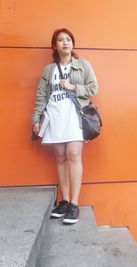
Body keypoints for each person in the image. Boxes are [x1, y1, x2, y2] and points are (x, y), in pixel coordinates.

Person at [32, 28, 98, 224]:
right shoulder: (48, 70)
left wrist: (73, 87)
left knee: (73, 155)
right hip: (55, 116)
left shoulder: (82, 65)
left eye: (68, 39)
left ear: (73, 44)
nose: (65, 42)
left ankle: (75, 204)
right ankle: (65, 200)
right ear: (55, 46)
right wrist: (36, 119)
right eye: (60, 40)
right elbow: (41, 97)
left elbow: (93, 87)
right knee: (60, 157)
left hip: (75, 117)